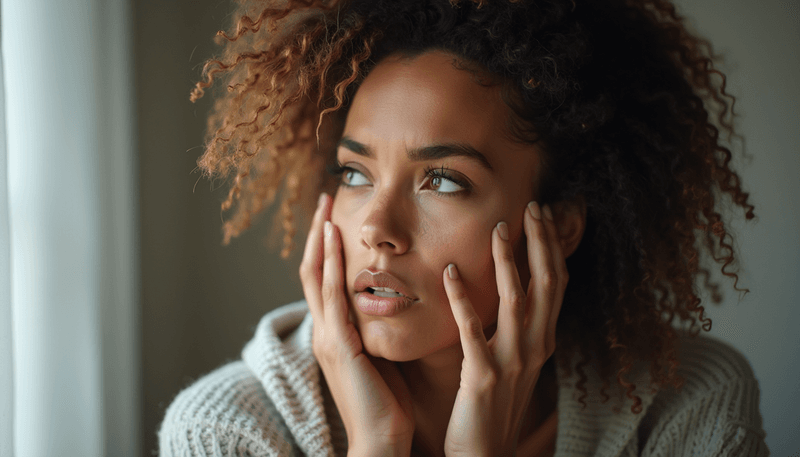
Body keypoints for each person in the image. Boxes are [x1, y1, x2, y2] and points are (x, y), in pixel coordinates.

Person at [158, 0, 769, 455]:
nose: (377, 227)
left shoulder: (682, 407)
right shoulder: (228, 431)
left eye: (443, 181)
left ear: (557, 229)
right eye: (354, 174)